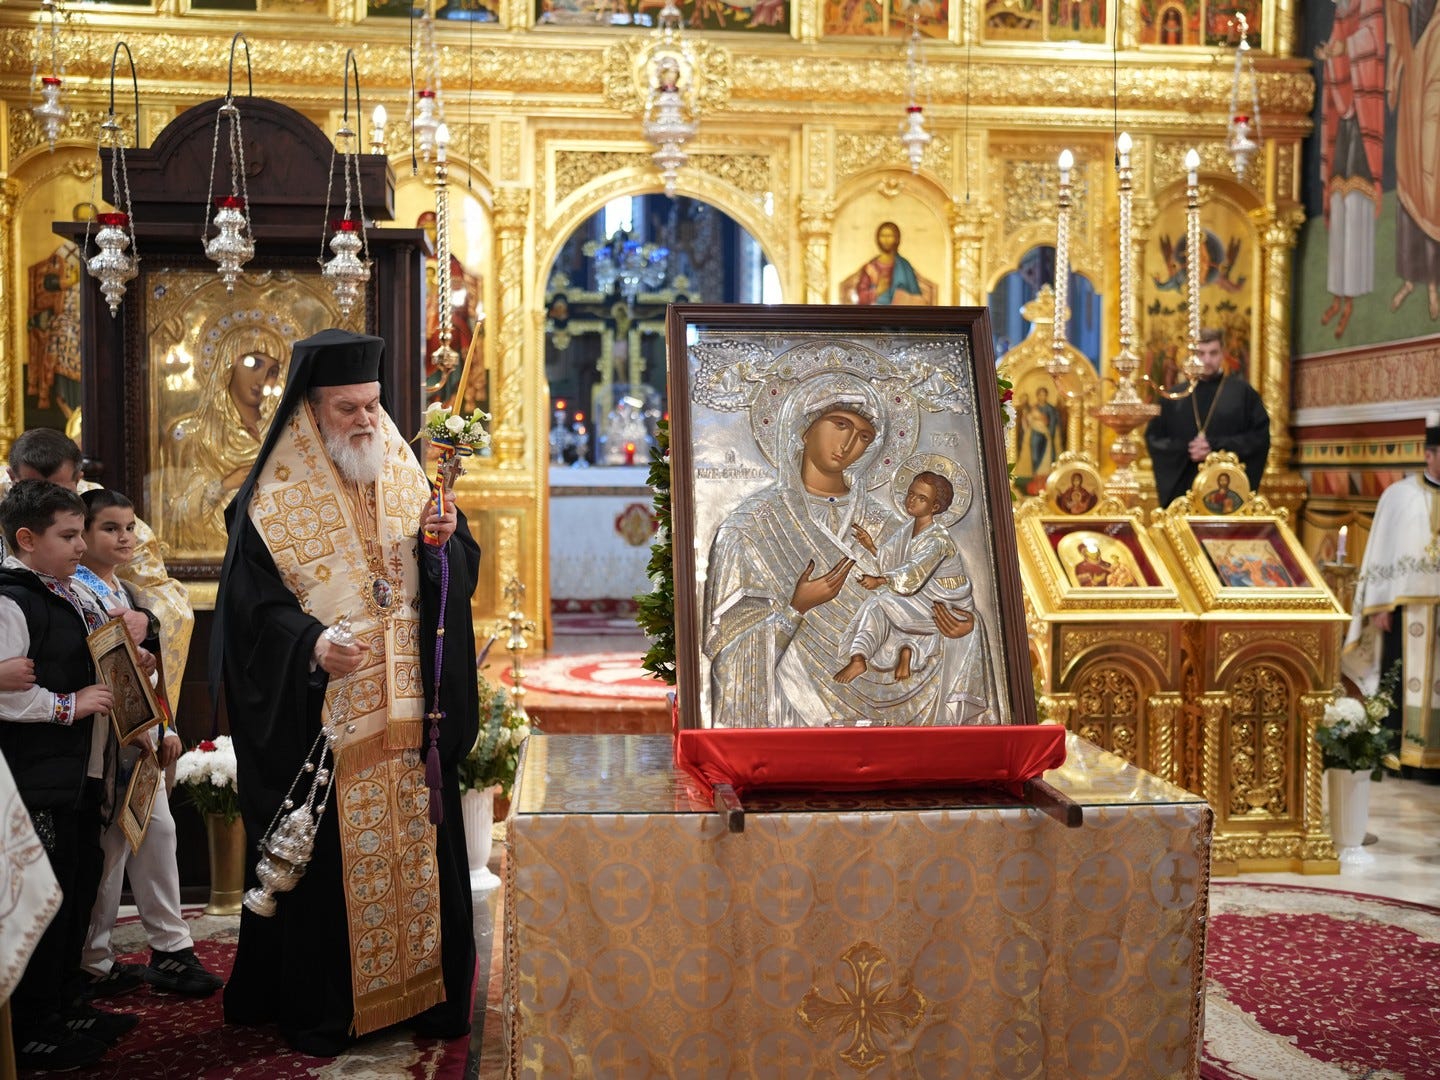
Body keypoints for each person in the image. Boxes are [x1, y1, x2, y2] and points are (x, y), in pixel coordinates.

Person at [217, 329, 481, 1056]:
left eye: (372, 404)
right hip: (329, 725)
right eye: (347, 408)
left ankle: (426, 996)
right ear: (310, 410)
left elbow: (452, 574)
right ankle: (331, 1008)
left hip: (412, 721)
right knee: (333, 870)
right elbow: (248, 611)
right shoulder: (266, 502)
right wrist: (310, 644)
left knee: (421, 856)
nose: (365, 420)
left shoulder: (405, 473)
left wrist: (444, 543)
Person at [702, 373, 994, 728]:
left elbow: (933, 604)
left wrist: (964, 632)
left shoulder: (890, 526)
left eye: (864, 436)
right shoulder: (750, 527)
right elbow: (731, 657)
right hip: (794, 715)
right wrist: (796, 609)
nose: (850, 443)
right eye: (840, 424)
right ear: (804, 428)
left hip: (898, 714)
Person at [74, 489, 224, 1000]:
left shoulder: (131, 594)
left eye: (130, 527)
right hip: (108, 740)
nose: (125, 538)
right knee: (110, 850)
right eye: (110, 528)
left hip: (144, 740)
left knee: (158, 836)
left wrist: (167, 728)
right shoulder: (78, 592)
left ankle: (172, 948)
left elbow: (150, 673)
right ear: (83, 535)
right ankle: (93, 960)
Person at [0, 480, 126, 1071]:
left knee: (78, 887)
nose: (80, 546)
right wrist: (68, 705)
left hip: (80, 771)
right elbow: (8, 693)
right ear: (27, 539)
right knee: (44, 899)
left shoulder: (71, 591)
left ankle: (65, 1001)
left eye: (80, 534)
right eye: (68, 535)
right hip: (36, 776)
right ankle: (32, 1026)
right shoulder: (12, 600)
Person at [3, 429, 194, 713]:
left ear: (78, 480)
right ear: (11, 475)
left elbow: (162, 593)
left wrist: (146, 621)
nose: (45, 501)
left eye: (59, 490)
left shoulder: (104, 512)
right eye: (32, 487)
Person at [1343, 411, 1440, 778]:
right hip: (1403, 612)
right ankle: (1399, 758)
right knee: (1399, 681)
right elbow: (1381, 552)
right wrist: (1377, 604)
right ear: (1429, 454)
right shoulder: (1399, 496)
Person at [836, 471, 972, 684]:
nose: (912, 500)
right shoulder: (908, 529)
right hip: (919, 596)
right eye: (911, 493)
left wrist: (880, 581)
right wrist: (871, 546)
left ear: (935, 507)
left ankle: (860, 657)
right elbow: (892, 561)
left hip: (945, 605)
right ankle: (905, 650)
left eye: (921, 498)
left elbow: (914, 570)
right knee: (889, 604)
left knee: (879, 603)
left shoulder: (938, 540)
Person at [164, 323, 286, 554]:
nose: (262, 379)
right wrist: (224, 486)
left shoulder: (283, 434)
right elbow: (173, 516)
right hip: (207, 555)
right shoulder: (190, 435)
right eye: (253, 364)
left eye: (272, 372)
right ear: (228, 364)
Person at [1316, 0, 1385, 339]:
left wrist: (1344, 48)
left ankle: (1353, 297)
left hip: (1363, 111)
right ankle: (1337, 294)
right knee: (1339, 198)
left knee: (1357, 201)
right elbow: (1339, 47)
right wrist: (1331, 54)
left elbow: (1374, 40)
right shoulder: (1341, 13)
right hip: (1343, 113)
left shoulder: (1370, 4)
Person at [1145, 327, 1270, 508]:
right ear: (1191, 355)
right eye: (1200, 353)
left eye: (1213, 353)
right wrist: (1187, 449)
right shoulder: (1173, 397)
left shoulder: (1243, 394)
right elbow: (1154, 439)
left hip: (1228, 494)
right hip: (1183, 491)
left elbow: (1259, 438)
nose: (1207, 360)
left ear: (1223, 353)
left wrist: (1216, 446)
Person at [1386, 0, 1440, 320]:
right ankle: (1411, 277)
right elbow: (1398, 32)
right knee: (1408, 177)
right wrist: (1394, 77)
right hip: (1413, 86)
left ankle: (1433, 282)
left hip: (1434, 78)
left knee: (1431, 183)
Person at [842, 222, 937, 306]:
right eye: (882, 235)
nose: (886, 239)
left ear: (896, 238)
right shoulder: (870, 267)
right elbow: (860, 297)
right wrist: (877, 292)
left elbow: (916, 296)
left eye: (890, 236)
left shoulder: (904, 266)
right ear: (878, 238)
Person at [1025, 387, 1063, 477]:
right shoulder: (1034, 408)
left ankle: (1048, 477)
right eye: (1040, 395)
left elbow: (1053, 421)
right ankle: (1036, 476)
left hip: (1047, 435)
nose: (1042, 397)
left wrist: (1049, 433)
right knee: (1035, 456)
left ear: (1046, 396)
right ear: (1037, 396)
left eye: (1044, 395)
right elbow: (1028, 420)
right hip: (1036, 434)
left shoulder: (1050, 409)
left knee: (1050, 456)